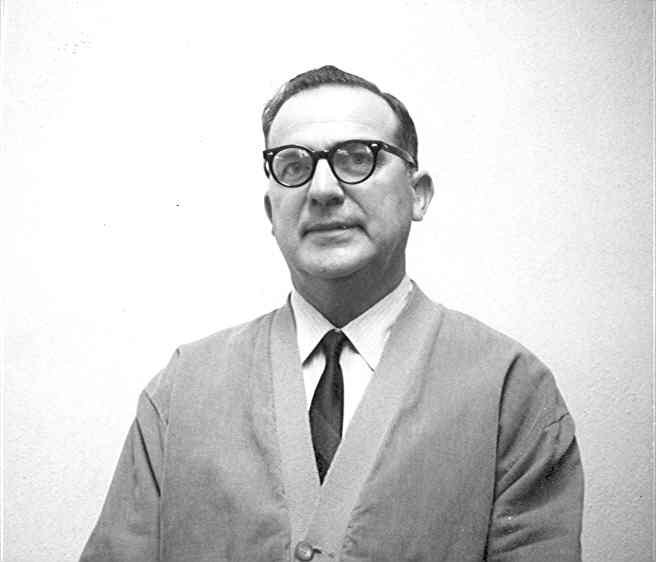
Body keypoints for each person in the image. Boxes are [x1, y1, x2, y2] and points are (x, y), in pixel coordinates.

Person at [80, 65, 584, 562]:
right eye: (293, 166)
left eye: (357, 157)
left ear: (419, 194)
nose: (322, 190)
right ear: (271, 211)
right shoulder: (182, 391)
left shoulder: (510, 390)